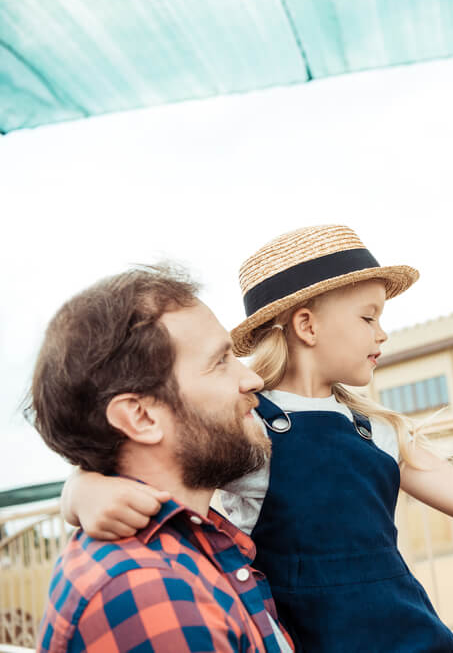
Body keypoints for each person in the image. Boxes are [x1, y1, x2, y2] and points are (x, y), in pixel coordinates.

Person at [63, 225, 453, 652]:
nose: (383, 332)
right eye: (368, 316)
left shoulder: (376, 428)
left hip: (410, 634)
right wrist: (81, 489)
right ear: (306, 325)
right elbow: (151, 467)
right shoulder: (247, 423)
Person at [28, 266, 293, 652]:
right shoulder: (151, 591)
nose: (253, 380)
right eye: (220, 362)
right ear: (141, 417)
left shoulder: (195, 551)